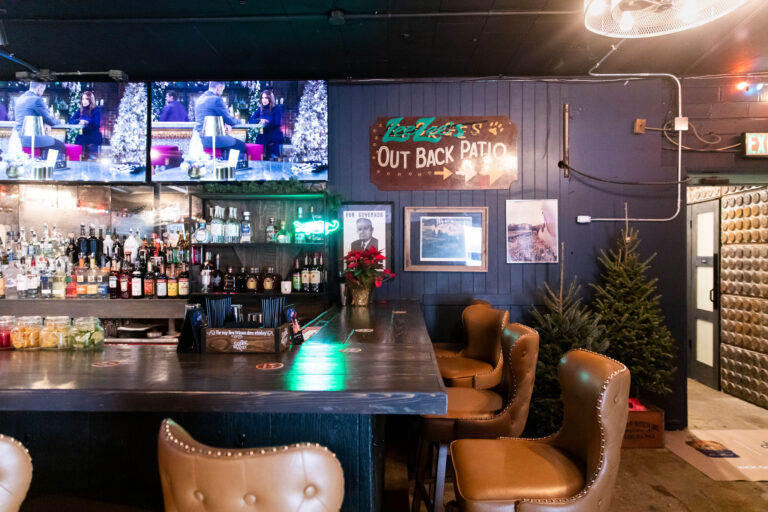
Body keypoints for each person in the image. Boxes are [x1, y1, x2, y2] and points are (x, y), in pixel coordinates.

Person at [194, 81, 246, 158]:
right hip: (213, 137)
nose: (222, 92)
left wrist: (224, 123)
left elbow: (210, 115)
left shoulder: (200, 99)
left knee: (228, 144)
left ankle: (224, 162)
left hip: (200, 138)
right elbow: (229, 119)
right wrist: (241, 121)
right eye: (222, 90)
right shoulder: (216, 99)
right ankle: (232, 165)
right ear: (218, 87)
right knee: (240, 145)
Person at [14, 81, 65, 157]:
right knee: (59, 145)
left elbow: (31, 114)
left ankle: (44, 161)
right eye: (43, 90)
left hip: (19, 137)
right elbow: (49, 119)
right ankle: (51, 164)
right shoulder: (37, 99)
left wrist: (44, 123)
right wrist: (60, 122)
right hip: (32, 137)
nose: (42, 93)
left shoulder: (20, 98)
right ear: (39, 87)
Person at [249, 89, 283, 161]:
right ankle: (262, 158)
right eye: (262, 98)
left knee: (262, 139)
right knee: (259, 137)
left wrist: (267, 121)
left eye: (266, 98)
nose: (264, 100)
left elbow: (277, 123)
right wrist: (259, 120)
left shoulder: (276, 108)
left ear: (270, 99)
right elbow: (251, 120)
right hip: (266, 134)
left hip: (275, 134)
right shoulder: (260, 109)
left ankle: (266, 157)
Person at [69, 90, 103, 161]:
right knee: (78, 139)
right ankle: (79, 159)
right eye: (83, 99)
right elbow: (71, 120)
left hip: (94, 135)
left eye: (86, 99)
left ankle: (92, 159)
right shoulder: (81, 109)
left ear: (90, 100)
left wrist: (86, 123)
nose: (84, 101)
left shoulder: (96, 110)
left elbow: (97, 125)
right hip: (84, 135)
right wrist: (78, 121)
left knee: (83, 141)